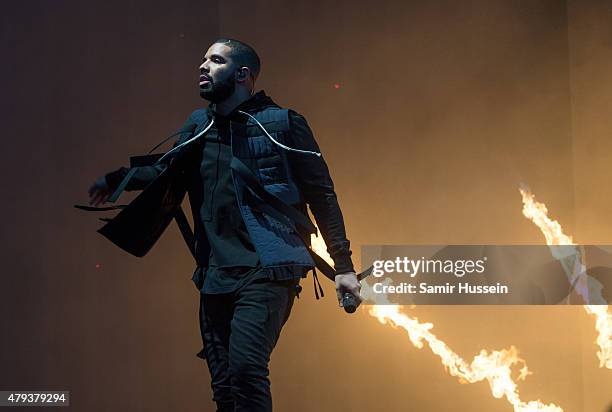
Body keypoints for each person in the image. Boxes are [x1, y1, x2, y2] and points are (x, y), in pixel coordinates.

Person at [87, 38, 361, 411]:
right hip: (214, 274)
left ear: (243, 75)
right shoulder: (199, 125)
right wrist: (117, 179)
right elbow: (166, 170)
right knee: (225, 386)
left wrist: (343, 266)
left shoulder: (282, 123)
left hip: (267, 271)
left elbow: (321, 194)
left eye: (215, 60)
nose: (203, 66)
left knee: (247, 369)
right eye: (203, 59)